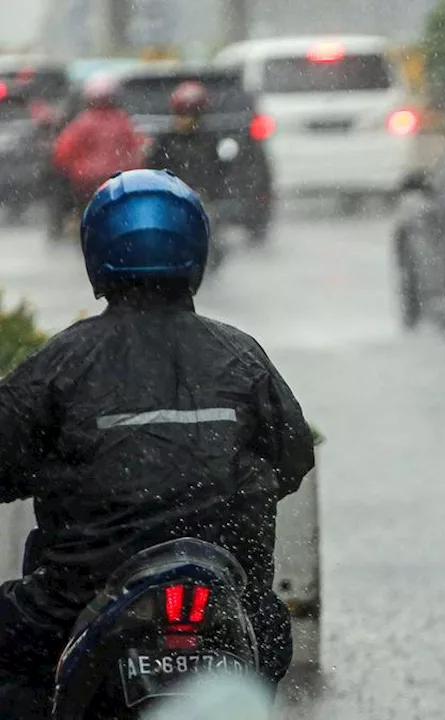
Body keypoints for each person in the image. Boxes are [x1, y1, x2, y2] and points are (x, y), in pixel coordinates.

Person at [0, 170, 314, 717]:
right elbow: (292, 460)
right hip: (226, 598)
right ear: (195, 250)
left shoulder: (61, 363)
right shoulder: (241, 356)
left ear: (97, 252)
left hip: (73, 601)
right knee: (270, 638)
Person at [51, 74, 148, 237]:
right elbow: (138, 152)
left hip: (86, 183)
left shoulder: (82, 123)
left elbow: (62, 153)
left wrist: (72, 170)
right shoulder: (123, 122)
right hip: (118, 182)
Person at [148, 81, 223, 199]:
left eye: (190, 114)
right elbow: (154, 171)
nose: (184, 120)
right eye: (180, 113)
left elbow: (219, 176)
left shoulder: (211, 141)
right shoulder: (165, 142)